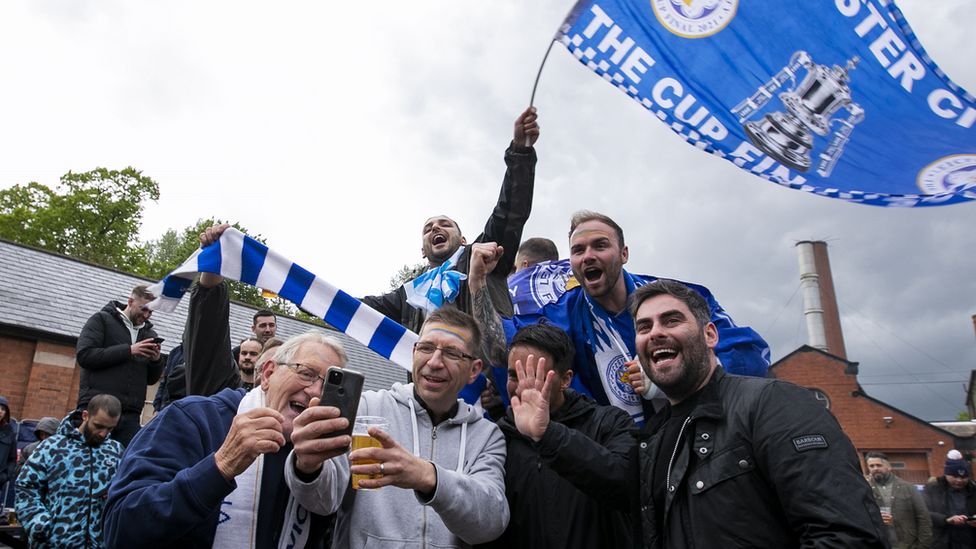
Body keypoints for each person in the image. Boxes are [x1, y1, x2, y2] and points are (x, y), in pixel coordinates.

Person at [631, 279, 886, 547]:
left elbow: (850, 537)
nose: (655, 333)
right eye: (644, 326)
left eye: (671, 320)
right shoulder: (654, 439)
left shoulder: (775, 404)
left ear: (710, 335)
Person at [511, 211, 770, 424]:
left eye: (600, 245)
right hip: (619, 456)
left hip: (699, 435)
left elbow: (750, 356)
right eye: (578, 250)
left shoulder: (681, 298)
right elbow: (511, 345)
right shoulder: (561, 315)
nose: (588, 255)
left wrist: (673, 377)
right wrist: (478, 285)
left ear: (624, 254)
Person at [285, 307, 508, 548]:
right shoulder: (365, 408)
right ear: (414, 353)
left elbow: (491, 523)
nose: (434, 362)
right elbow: (323, 500)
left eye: (452, 353)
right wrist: (307, 467)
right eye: (426, 348)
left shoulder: (486, 435)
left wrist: (428, 477)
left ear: (474, 370)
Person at [104, 331, 350, 548]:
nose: (316, 392)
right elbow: (121, 529)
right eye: (306, 373)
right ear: (267, 374)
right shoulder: (192, 419)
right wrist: (220, 466)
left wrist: (310, 474)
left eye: (330, 386)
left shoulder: (327, 460)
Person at [361, 107, 540, 335]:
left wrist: (520, 153)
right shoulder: (409, 293)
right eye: (428, 229)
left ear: (463, 240)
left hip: (485, 366)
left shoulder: (482, 256)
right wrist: (305, 292)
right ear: (423, 251)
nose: (435, 227)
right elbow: (361, 308)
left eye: (445, 224)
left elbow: (510, 211)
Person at [481, 323, 637, 548]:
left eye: (535, 376)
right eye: (514, 376)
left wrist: (548, 435)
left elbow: (626, 486)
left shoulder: (610, 423)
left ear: (565, 379)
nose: (523, 387)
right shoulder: (496, 438)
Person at [15, 394, 124, 548]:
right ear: (85, 416)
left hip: (99, 543)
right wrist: (39, 524)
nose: (103, 433)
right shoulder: (53, 446)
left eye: (110, 428)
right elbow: (26, 487)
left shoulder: (116, 450)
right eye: (98, 426)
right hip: (54, 543)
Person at [76, 284, 164, 446]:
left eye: (150, 311)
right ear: (130, 301)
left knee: (123, 465)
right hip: (97, 409)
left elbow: (151, 380)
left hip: (130, 416)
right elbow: (85, 356)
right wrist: (129, 350)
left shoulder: (150, 334)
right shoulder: (101, 320)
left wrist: (156, 360)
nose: (146, 315)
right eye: (143, 309)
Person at [866, 451, 933, 548]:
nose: (875, 468)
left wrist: (923, 546)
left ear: (888, 467)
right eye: (871, 466)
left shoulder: (908, 488)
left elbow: (923, 518)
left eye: (878, 465)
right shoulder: (865, 490)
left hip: (907, 545)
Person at [923, 450, 976, 549]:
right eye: (955, 476)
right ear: (946, 474)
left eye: (964, 477)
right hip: (943, 541)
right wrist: (945, 520)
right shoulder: (933, 489)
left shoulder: (973, 489)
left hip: (970, 540)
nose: (959, 480)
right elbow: (924, 512)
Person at [0, 396, 16, 498]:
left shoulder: (9, 432)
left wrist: (5, 476)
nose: (0, 411)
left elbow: (12, 458)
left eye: (3, 409)